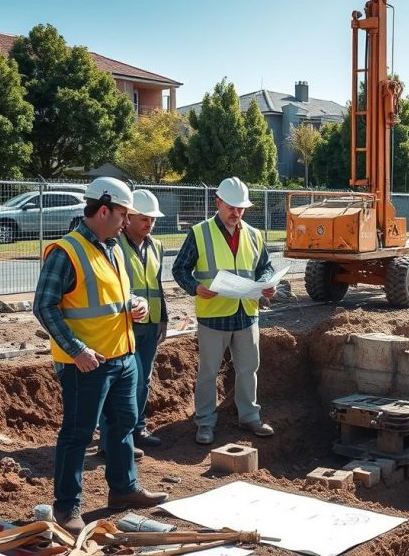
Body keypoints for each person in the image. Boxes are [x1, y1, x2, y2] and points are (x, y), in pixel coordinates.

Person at [33, 177, 168, 535]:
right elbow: (44, 306)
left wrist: (134, 304)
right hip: (87, 364)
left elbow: (113, 298)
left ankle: (124, 489)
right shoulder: (66, 251)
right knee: (77, 434)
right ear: (103, 210)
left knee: (122, 427)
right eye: (123, 214)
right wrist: (76, 351)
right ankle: (67, 507)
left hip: (122, 356)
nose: (127, 222)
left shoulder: (112, 248)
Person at [172, 176, 274, 445]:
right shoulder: (200, 232)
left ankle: (249, 416)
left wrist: (266, 283)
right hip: (213, 313)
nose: (236, 212)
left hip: (246, 312)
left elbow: (266, 266)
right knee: (208, 371)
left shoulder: (254, 234)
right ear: (218, 202)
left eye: (240, 208)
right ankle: (205, 422)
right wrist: (195, 287)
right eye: (231, 206)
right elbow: (179, 269)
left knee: (248, 368)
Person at [98, 189, 168, 451]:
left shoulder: (156, 246)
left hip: (150, 325)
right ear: (128, 218)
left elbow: (157, 284)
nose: (149, 224)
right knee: (122, 382)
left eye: (153, 219)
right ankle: (112, 440)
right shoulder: (115, 247)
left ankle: (137, 430)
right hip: (123, 325)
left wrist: (163, 317)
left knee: (144, 380)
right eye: (144, 219)